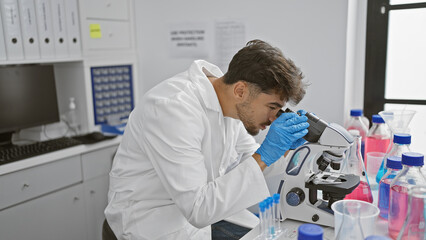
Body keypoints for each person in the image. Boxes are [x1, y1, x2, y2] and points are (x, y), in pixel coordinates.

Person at [104, 39, 309, 240]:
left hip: (195, 220)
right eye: (272, 107)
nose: (274, 118)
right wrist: (267, 152)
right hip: (149, 226)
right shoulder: (173, 109)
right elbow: (199, 209)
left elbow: (251, 159)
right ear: (241, 90)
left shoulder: (229, 104)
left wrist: (285, 150)